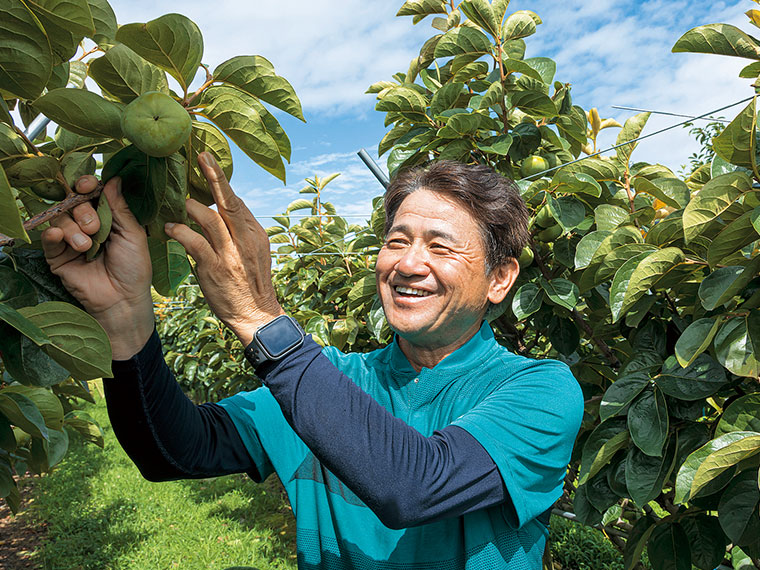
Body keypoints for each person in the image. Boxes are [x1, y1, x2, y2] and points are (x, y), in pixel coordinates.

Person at [42, 154, 584, 570]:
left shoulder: (540, 390)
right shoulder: (331, 382)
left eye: (441, 247)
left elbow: (415, 486)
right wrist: (125, 320)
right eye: (396, 241)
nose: (408, 263)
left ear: (499, 277)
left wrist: (261, 321)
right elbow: (175, 450)